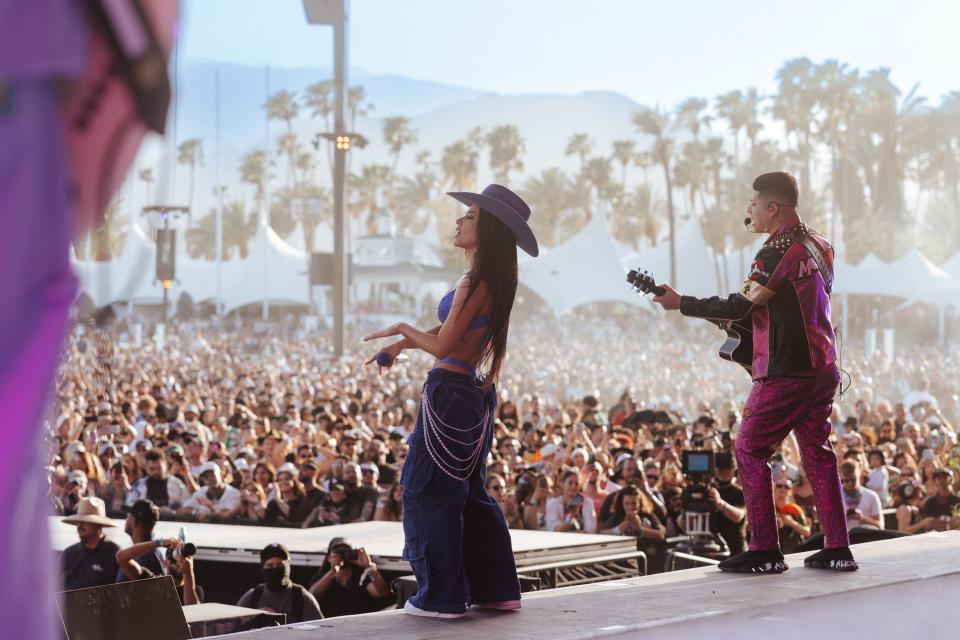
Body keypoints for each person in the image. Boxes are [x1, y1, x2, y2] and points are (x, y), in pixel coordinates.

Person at [653, 172, 857, 573]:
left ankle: (765, 549)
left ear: (772, 207)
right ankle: (838, 546)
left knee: (749, 449)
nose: (749, 210)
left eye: (753, 204)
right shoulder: (821, 244)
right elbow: (793, 305)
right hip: (824, 366)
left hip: (787, 372)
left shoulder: (775, 251)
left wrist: (682, 303)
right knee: (817, 453)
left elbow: (742, 304)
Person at [363, 184, 539, 618]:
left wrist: (403, 329)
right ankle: (497, 589)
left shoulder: (476, 278)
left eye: (471, 215)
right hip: (473, 392)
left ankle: (440, 596)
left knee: (428, 491)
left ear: (490, 230)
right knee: (471, 493)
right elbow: (456, 336)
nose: (460, 220)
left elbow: (444, 346)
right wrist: (404, 344)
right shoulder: (494, 281)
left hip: (449, 392)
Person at [237, 543, 322, 623]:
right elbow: (232, 624)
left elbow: (321, 630)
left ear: (288, 566)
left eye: (280, 565)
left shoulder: (302, 598)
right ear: (263, 569)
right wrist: (253, 616)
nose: (275, 569)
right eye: (270, 566)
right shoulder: (253, 597)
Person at [308, 537, 392, 618]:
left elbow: (381, 593)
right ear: (329, 557)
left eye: (345, 551)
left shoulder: (361, 576)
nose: (342, 555)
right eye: (338, 552)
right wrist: (333, 571)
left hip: (359, 624)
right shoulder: (320, 577)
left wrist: (369, 566)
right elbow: (312, 596)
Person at [60, 497, 121, 590]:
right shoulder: (69, 554)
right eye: (78, 521)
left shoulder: (115, 554)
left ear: (98, 525)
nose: (79, 525)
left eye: (84, 521)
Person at [125, 450, 191, 517]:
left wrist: (173, 512)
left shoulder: (177, 484)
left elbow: (187, 505)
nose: (156, 472)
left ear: (165, 465)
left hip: (173, 521)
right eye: (152, 469)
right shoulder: (139, 485)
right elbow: (129, 505)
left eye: (159, 468)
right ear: (146, 467)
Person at [115, 499, 165, 581]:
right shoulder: (151, 553)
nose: (126, 520)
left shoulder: (145, 557)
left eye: (128, 516)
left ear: (134, 522)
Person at [840, 460, 884, 530]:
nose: (850, 483)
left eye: (853, 480)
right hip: (844, 539)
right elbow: (826, 529)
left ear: (859, 474)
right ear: (840, 477)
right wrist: (843, 520)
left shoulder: (871, 496)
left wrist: (862, 518)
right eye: (846, 481)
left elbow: (881, 526)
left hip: (867, 538)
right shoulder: (834, 498)